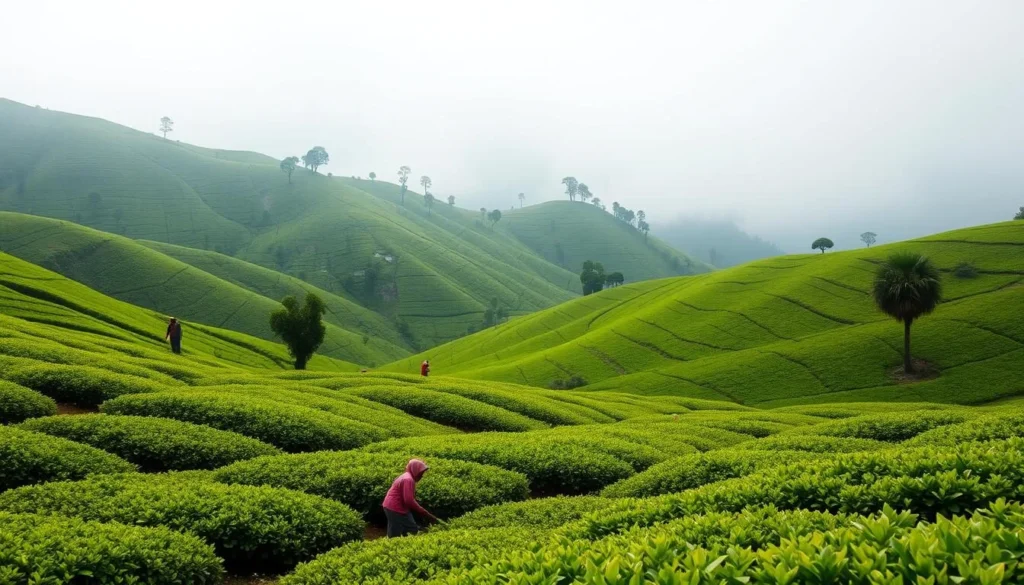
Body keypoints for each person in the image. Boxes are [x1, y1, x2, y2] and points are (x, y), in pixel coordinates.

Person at [381, 459, 438, 537]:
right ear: (415, 470)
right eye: (421, 472)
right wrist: (425, 513)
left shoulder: (406, 476)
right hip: (395, 507)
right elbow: (409, 501)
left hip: (393, 506)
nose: (422, 475)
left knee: (398, 529)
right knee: (409, 530)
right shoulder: (408, 479)